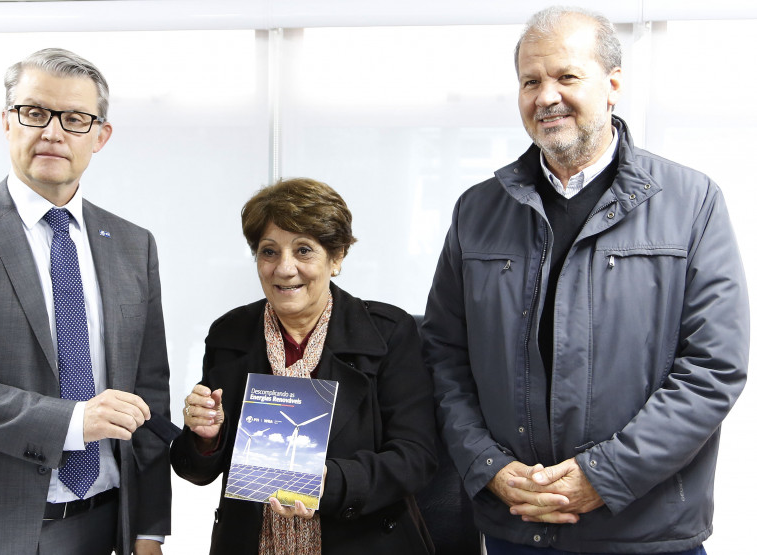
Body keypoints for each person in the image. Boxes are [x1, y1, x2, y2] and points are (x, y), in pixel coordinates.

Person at [423, 6, 748, 555]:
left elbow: (713, 367)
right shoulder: (478, 210)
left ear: (613, 84)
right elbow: (444, 357)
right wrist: (491, 468)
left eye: (566, 76)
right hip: (515, 526)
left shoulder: (692, 203)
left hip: (645, 532)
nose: (546, 96)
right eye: (530, 81)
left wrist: (604, 475)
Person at [0, 48, 171, 555]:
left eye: (76, 119)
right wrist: (71, 421)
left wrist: (148, 528)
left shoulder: (134, 244)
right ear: (7, 122)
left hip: (100, 523)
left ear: (100, 135)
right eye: (35, 113)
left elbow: (148, 396)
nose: (53, 132)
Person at [170, 178, 437, 554]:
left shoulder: (387, 333)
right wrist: (205, 437)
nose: (284, 268)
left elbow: (417, 457)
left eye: (304, 250)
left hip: (362, 541)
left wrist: (332, 482)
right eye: (269, 252)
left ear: (337, 256)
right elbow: (198, 471)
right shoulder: (229, 334)